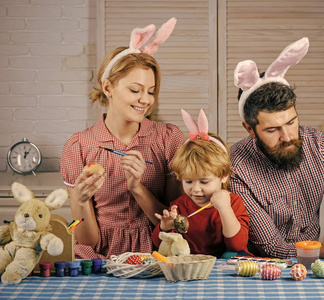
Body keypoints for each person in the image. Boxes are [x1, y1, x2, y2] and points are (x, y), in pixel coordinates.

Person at [230, 37, 324, 259]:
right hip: (260, 270)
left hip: (313, 262)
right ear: (250, 129)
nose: (287, 137)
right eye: (272, 130)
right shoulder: (236, 166)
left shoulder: (317, 142)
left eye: (291, 122)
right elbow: (270, 247)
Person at [60, 18, 185, 259]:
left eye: (151, 91)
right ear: (108, 88)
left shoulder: (168, 139)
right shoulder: (78, 147)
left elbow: (177, 223)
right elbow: (86, 240)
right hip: (101, 261)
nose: (145, 100)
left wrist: (137, 188)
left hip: (158, 256)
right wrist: (82, 200)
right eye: (135, 90)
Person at [152, 109, 250, 258]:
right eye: (188, 181)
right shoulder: (179, 206)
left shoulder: (233, 203)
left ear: (224, 176)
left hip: (224, 265)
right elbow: (160, 244)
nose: (196, 189)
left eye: (204, 182)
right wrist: (165, 228)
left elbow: (237, 245)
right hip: (191, 265)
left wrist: (224, 209)